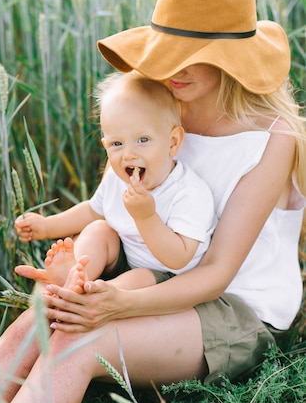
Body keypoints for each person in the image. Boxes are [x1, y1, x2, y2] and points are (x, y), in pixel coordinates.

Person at [0, 0, 306, 403]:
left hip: (235, 306)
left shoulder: (271, 139)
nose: (173, 69)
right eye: (168, 51)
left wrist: (116, 305)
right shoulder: (155, 100)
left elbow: (216, 273)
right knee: (36, 325)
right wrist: (80, 273)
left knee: (76, 348)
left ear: (232, 58)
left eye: (193, 54)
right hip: (153, 270)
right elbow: (110, 208)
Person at [14, 71, 215, 293]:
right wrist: (47, 226)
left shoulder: (188, 193)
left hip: (166, 278)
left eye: (143, 140)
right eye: (117, 144)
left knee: (139, 276)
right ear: (105, 145)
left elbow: (178, 258)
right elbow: (93, 211)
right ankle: (76, 276)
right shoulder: (117, 178)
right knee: (99, 229)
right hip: (125, 259)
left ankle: (94, 294)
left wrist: (146, 217)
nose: (128, 154)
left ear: (173, 142)